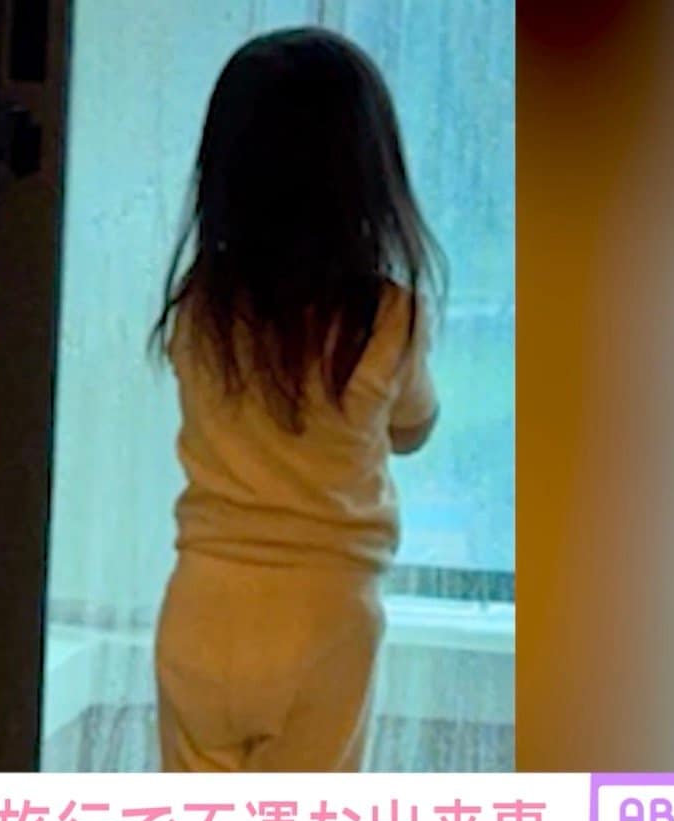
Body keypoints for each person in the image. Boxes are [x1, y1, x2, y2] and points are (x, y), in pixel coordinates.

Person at [152, 27, 442, 772]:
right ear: (370, 178)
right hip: (326, 619)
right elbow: (413, 426)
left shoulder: (201, 309)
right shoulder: (390, 319)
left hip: (202, 602)